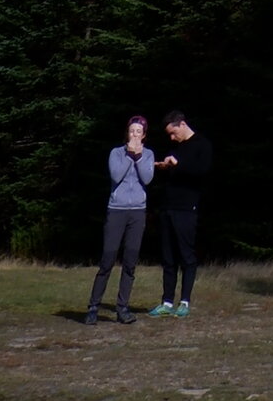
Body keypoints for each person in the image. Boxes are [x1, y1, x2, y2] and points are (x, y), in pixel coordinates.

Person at [84, 117, 153, 327]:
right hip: (117, 210)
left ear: (144, 135)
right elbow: (116, 174)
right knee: (108, 259)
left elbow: (147, 178)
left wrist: (139, 156)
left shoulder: (148, 154)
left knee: (130, 262)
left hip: (137, 211)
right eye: (132, 130)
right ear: (127, 133)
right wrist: (129, 155)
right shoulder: (116, 153)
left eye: (139, 131)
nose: (135, 134)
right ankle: (93, 307)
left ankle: (122, 307)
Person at [147, 111, 211, 317]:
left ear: (182, 124)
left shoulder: (202, 145)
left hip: (187, 208)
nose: (172, 138)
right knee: (168, 257)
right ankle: (166, 302)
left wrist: (178, 165)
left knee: (186, 255)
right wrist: (164, 167)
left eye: (173, 133)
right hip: (168, 207)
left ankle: (184, 302)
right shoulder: (176, 147)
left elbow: (201, 173)